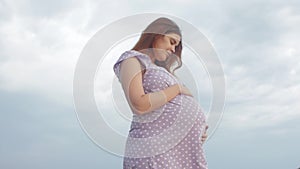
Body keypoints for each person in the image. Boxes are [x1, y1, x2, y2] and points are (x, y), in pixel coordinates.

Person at [113, 17, 208, 169]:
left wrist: (196, 130)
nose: (173, 50)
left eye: (176, 46)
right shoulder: (133, 60)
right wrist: (177, 89)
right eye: (171, 42)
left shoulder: (162, 70)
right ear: (157, 35)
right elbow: (139, 105)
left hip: (181, 150)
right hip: (153, 150)